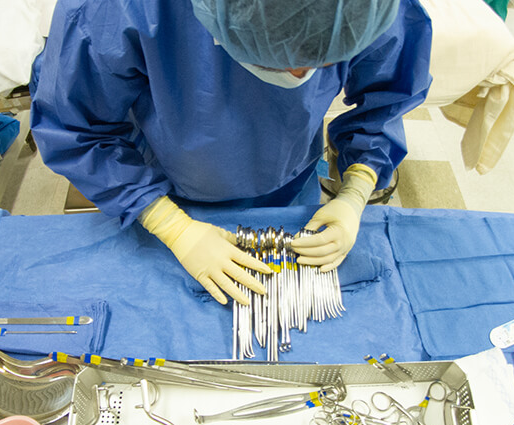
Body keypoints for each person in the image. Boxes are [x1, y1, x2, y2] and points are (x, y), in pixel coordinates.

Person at [30, 0, 432, 306]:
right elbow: (75, 125)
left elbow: (389, 95)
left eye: (322, 60)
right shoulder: (118, 9)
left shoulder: (366, 6)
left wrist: (356, 190)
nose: (298, 76)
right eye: (275, 56)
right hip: (168, 176)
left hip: (290, 172)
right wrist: (171, 225)